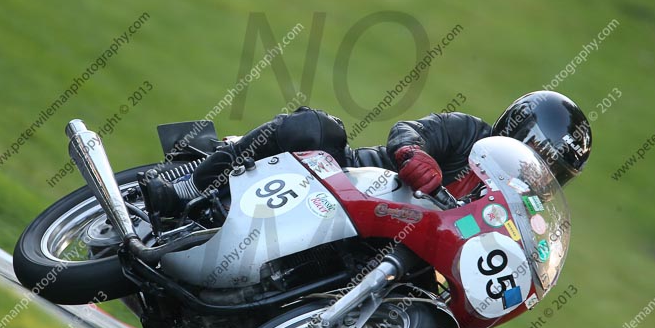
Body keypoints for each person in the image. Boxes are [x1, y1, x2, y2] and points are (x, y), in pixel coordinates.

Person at [144, 90, 592, 217]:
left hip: (378, 246)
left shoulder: (514, 216)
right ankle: (188, 187)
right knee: (318, 127)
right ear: (516, 131)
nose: (539, 173)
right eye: (540, 157)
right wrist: (413, 154)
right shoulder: (469, 134)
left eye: (555, 172)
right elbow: (409, 128)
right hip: (347, 181)